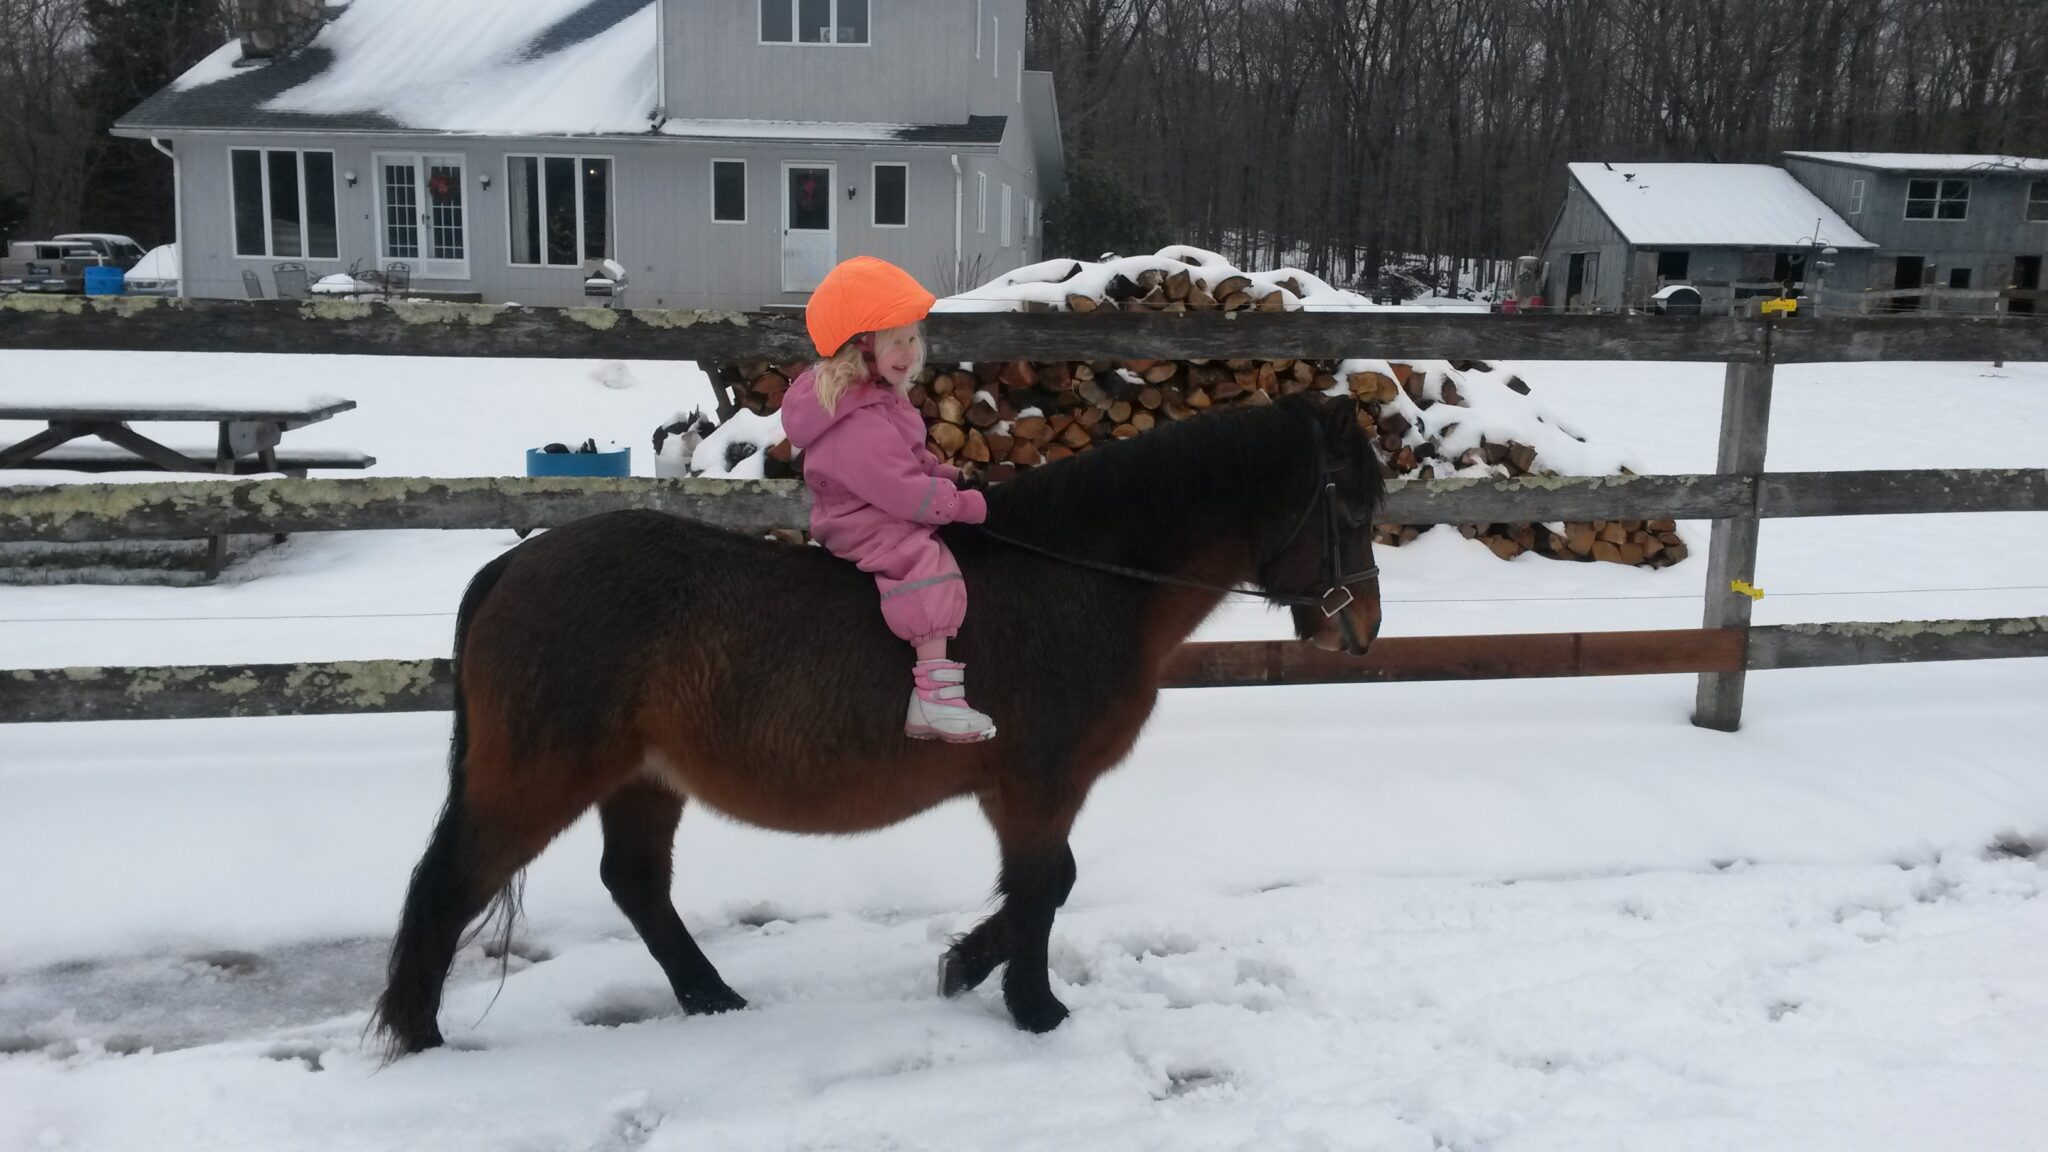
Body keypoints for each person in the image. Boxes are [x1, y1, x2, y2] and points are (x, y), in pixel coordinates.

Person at [780, 256, 997, 743]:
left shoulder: (875, 399)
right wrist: (963, 506)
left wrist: (944, 476)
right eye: (893, 339)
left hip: (874, 503)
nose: (907, 350)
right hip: (861, 520)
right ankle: (935, 695)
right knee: (921, 557)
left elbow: (906, 464)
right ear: (860, 347)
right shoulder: (855, 421)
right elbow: (901, 492)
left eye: (911, 337)